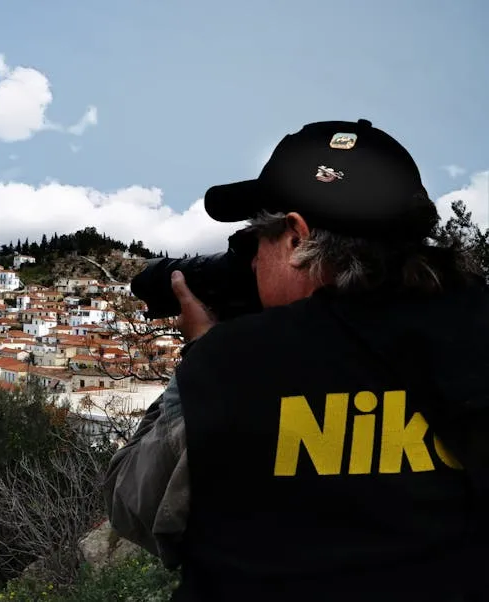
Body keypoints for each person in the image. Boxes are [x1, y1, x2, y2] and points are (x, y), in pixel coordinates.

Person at [103, 118, 489, 602]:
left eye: (253, 241)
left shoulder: (233, 365)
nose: (248, 262)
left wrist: (203, 353)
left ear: (295, 237)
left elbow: (132, 502)